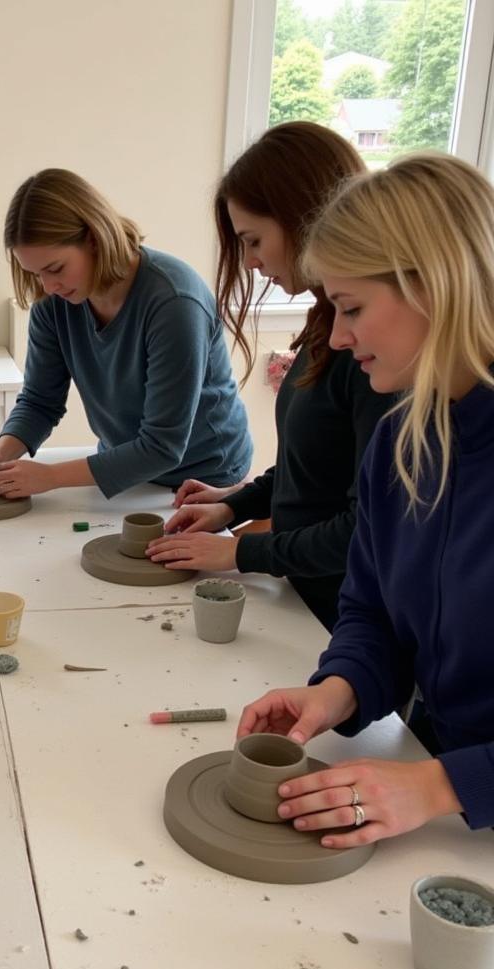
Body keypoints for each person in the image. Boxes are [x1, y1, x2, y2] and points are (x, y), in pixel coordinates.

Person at [238, 152, 494, 848]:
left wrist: (440, 786)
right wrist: (339, 689)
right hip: (439, 799)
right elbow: (372, 610)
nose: (340, 337)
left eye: (351, 308)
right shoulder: (398, 446)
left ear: (433, 288)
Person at [147, 123, 395, 631]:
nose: (253, 262)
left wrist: (240, 551)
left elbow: (364, 526)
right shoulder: (327, 322)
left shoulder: (374, 354)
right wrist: (232, 506)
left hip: (341, 614)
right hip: (300, 589)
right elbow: (315, 468)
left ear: (305, 216)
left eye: (254, 240)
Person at [0, 169, 251, 499]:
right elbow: (40, 403)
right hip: (128, 468)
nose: (47, 286)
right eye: (35, 273)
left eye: (55, 269)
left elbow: (162, 446)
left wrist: (51, 477)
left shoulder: (174, 303)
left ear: (94, 239)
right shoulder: (54, 304)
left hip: (204, 477)